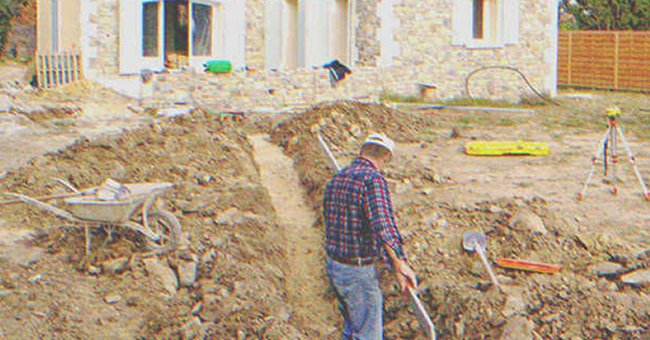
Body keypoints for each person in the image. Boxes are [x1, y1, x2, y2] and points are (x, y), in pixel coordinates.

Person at [323, 133, 418, 339]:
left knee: (352, 328)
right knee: (368, 334)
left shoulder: (338, 178)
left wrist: (389, 262)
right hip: (357, 272)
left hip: (334, 267)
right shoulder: (373, 180)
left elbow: (344, 225)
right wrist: (399, 262)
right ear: (384, 156)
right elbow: (383, 225)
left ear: (362, 151)